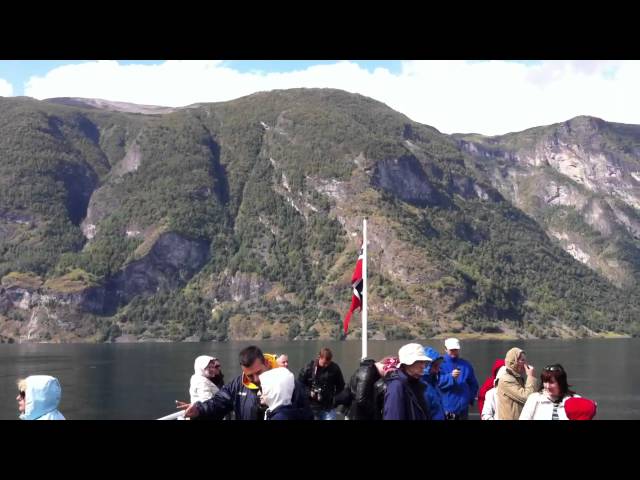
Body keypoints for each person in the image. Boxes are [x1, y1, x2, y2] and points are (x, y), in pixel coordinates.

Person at [181, 346, 311, 420]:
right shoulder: (238, 384)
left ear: (266, 362)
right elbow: (219, 401)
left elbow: (306, 414)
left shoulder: (290, 384)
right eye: (249, 375)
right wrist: (199, 409)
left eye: (259, 372)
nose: (255, 379)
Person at [383, 343, 431, 420]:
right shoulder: (397, 387)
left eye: (424, 362)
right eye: (420, 362)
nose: (423, 366)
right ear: (407, 363)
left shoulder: (417, 385)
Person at [438, 338, 479, 420]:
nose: (454, 352)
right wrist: (450, 377)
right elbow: (436, 382)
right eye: (451, 350)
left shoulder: (466, 364)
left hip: (463, 409)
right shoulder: (440, 364)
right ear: (445, 349)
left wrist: (469, 398)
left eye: (456, 350)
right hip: (447, 409)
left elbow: (473, 383)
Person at [298, 347, 345, 420]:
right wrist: (309, 392)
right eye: (324, 363)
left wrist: (335, 400)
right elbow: (299, 385)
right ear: (319, 357)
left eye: (328, 363)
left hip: (328, 406)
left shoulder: (334, 368)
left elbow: (341, 386)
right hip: (311, 406)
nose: (326, 365)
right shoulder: (308, 368)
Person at [496, 347, 539, 420]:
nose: (525, 364)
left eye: (525, 360)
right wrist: (530, 376)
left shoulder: (517, 377)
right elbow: (527, 398)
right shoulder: (506, 379)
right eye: (522, 360)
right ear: (513, 362)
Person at [421, 347, 445, 420]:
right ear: (426, 366)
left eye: (439, 365)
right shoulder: (422, 387)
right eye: (435, 366)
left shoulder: (433, 382)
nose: (437, 369)